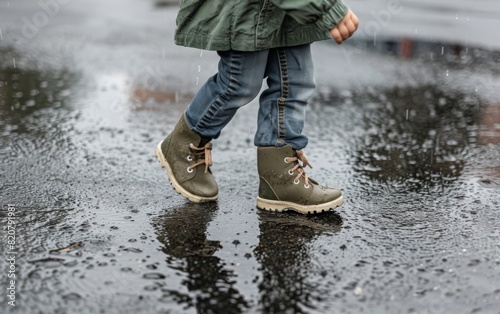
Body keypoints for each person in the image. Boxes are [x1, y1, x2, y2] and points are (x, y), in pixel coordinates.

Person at [156, 0, 359, 214]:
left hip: (289, 12)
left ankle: (279, 177)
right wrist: (325, 7)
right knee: (240, 83)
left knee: (295, 81)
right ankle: (184, 142)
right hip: (245, 7)